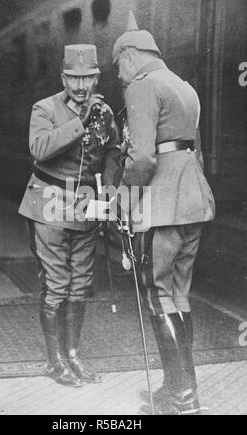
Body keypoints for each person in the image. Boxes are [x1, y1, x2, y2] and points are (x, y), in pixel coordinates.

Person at [112, 12, 215, 414]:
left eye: (119, 64)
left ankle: (183, 397)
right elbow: (198, 152)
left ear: (132, 56)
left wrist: (123, 198)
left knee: (158, 296)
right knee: (178, 296)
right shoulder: (186, 87)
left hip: (161, 206)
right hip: (193, 202)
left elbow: (140, 159)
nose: (119, 75)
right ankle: (179, 389)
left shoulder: (142, 87)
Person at [19, 44, 121, 388]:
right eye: (74, 78)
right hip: (48, 201)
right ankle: (55, 360)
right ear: (64, 77)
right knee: (57, 281)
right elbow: (39, 149)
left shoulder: (104, 111)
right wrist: (80, 120)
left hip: (86, 205)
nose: (81, 86)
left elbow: (112, 153)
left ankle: (73, 355)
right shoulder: (44, 108)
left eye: (87, 78)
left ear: (96, 77)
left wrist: (107, 195)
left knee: (80, 282)